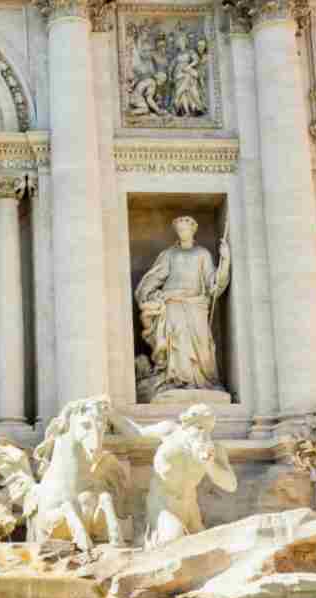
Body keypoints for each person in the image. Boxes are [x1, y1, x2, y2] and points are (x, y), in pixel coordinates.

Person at [110, 404, 236, 549]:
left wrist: (209, 464)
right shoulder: (170, 431)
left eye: (207, 429)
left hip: (189, 507)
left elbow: (231, 485)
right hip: (162, 503)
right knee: (174, 541)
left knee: (205, 549)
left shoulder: (213, 450)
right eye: (198, 427)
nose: (203, 433)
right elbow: (138, 432)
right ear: (187, 425)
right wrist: (112, 415)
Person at [134, 216, 230, 401]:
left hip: (196, 304)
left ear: (193, 230)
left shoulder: (202, 254)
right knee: (177, 341)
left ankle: (202, 381)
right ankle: (177, 379)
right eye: (179, 230)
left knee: (201, 343)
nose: (182, 233)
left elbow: (213, 282)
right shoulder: (169, 254)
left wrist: (225, 261)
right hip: (173, 303)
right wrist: (152, 294)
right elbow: (154, 278)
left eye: (185, 229)